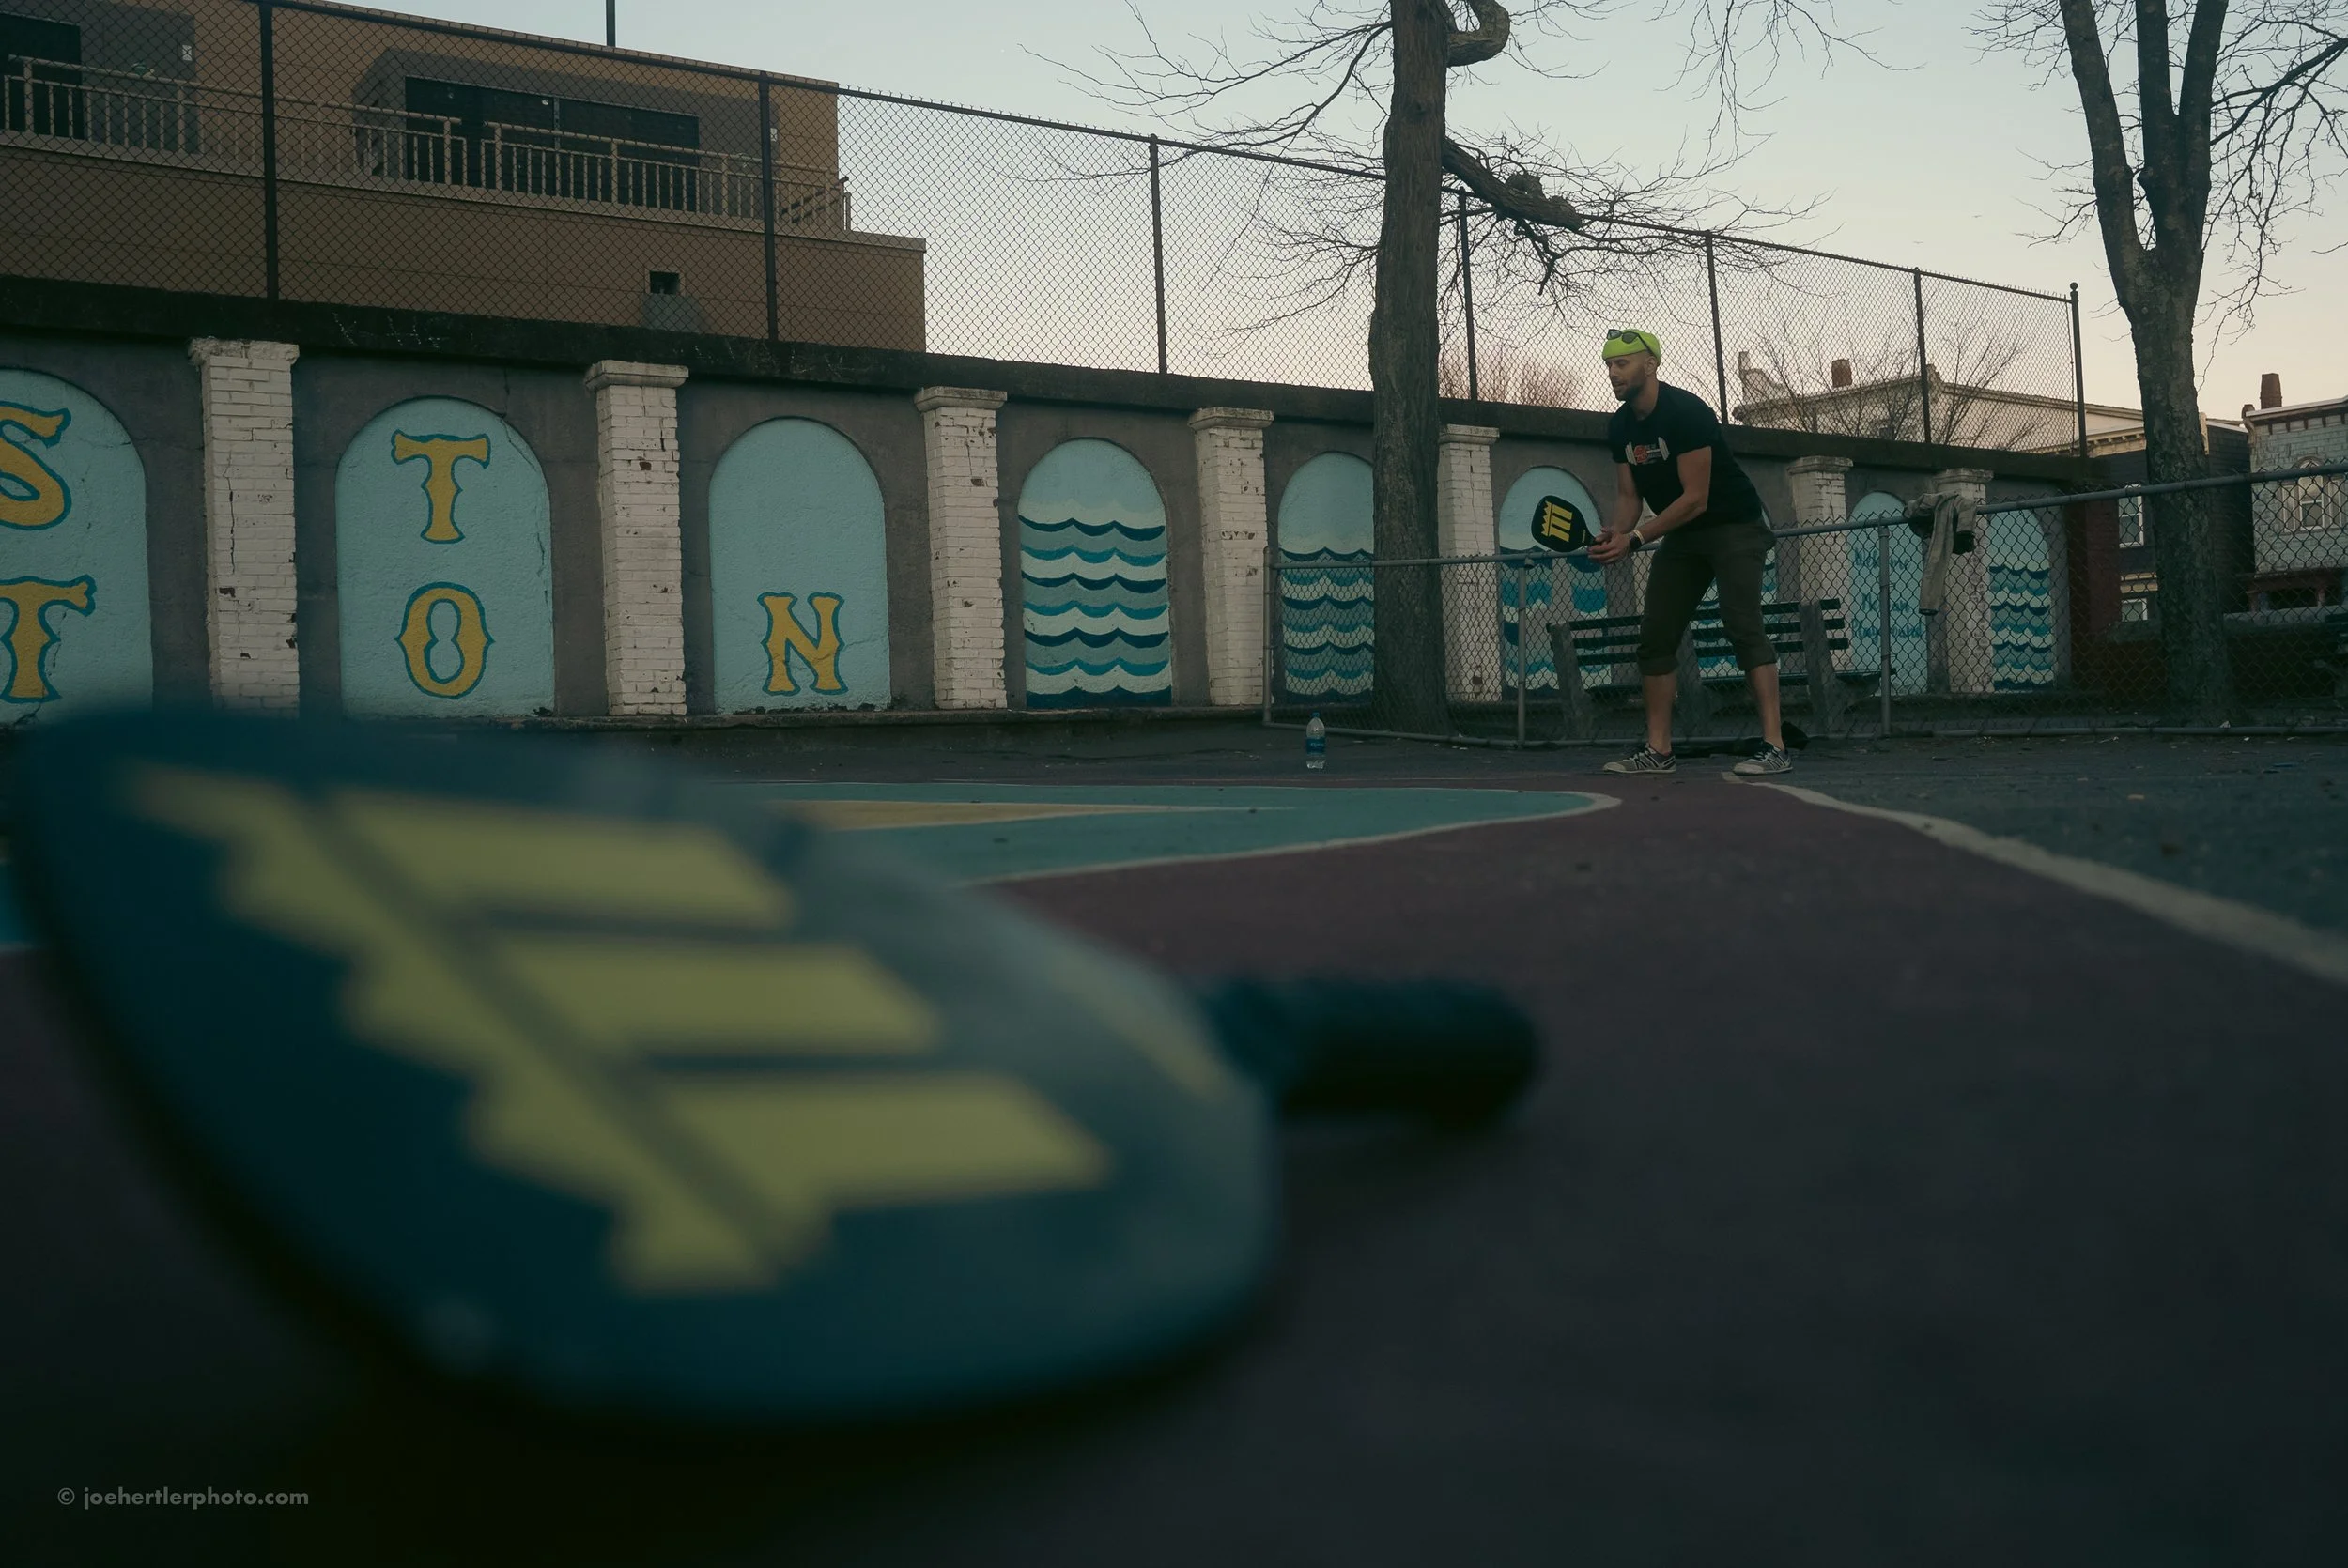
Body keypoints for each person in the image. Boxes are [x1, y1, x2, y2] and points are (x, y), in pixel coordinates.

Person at [1587, 329, 1789, 776]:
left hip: (1734, 525)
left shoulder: (1687, 412)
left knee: (1742, 625)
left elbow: (1696, 497)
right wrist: (1614, 534)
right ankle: (1658, 752)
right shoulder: (1619, 426)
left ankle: (1774, 746)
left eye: (1622, 363)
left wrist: (1636, 539)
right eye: (1609, 365)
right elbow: (1628, 498)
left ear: (1651, 364)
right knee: (1655, 635)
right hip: (1684, 537)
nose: (1613, 373)